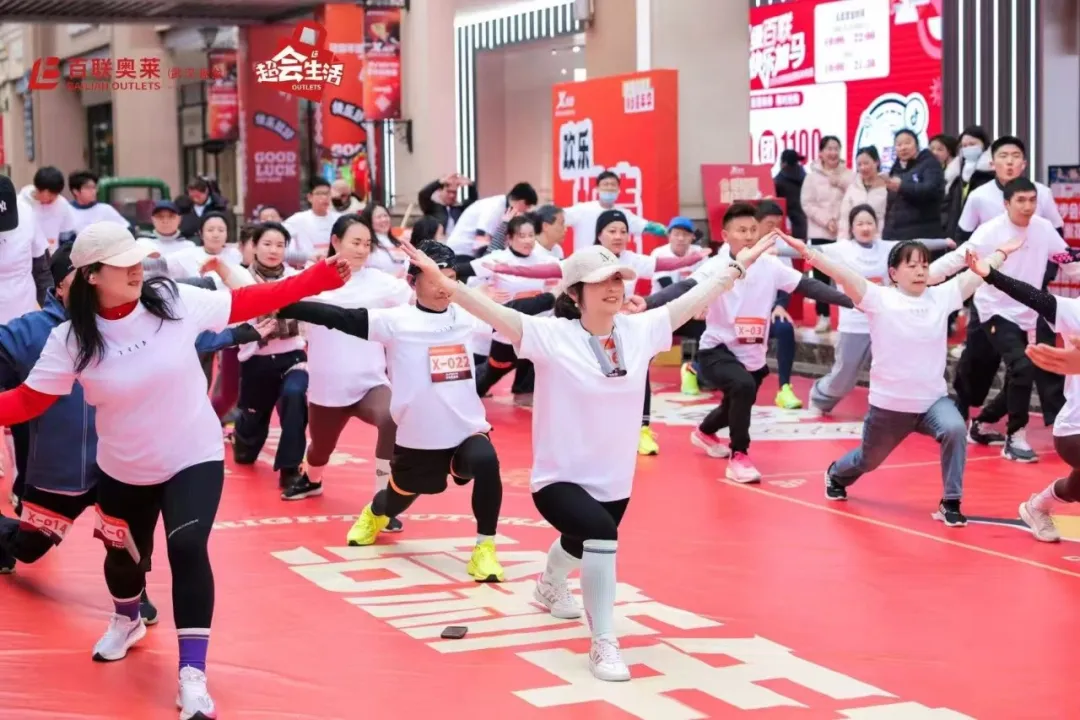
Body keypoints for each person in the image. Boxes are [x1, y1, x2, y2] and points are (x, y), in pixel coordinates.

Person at [0, 221, 348, 720]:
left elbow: (247, 302)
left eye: (137, 260)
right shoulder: (70, 339)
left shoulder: (169, 299)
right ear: (92, 275)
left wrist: (318, 277)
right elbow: (27, 401)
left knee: (187, 548)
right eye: (124, 264)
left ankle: (192, 676)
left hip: (192, 454)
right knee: (125, 560)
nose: (137, 270)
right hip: (123, 468)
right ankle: (126, 620)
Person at [398, 236, 776, 682]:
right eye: (601, 282)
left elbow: (694, 297)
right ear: (575, 293)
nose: (614, 288)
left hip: (614, 479)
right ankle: (603, 643)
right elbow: (489, 311)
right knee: (599, 534)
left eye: (617, 278)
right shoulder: (548, 336)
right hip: (558, 478)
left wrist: (736, 265)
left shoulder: (640, 330)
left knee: (582, 542)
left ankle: (548, 584)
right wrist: (444, 280)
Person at [275, 241, 512, 573]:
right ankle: (375, 513)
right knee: (396, 499)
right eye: (434, 278)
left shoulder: (467, 316)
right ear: (413, 282)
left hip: (466, 431)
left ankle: (484, 549)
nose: (443, 286)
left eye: (450, 278)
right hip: (418, 440)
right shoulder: (395, 321)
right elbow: (338, 317)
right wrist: (284, 304)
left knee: (486, 461)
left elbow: (520, 319)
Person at [781, 231, 1012, 526]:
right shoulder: (878, 297)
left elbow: (973, 277)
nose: (920, 271)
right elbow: (840, 272)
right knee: (868, 460)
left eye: (924, 265)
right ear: (893, 273)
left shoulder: (941, 296)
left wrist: (1002, 252)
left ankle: (951, 502)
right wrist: (808, 252)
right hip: (889, 407)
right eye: (911, 265)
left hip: (932, 403)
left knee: (955, 428)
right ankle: (836, 474)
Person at [648, 203, 852, 482]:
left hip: (753, 352)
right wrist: (646, 303)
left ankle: (704, 432)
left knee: (738, 401)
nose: (748, 236)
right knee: (742, 387)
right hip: (716, 349)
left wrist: (851, 300)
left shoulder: (770, 265)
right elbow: (683, 287)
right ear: (725, 235)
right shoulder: (717, 265)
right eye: (741, 230)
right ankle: (739, 455)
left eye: (753, 230)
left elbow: (807, 285)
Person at [929, 177, 1079, 462]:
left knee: (1025, 370)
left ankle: (983, 423)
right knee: (1021, 365)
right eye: (1021, 200)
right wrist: (924, 279)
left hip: (1030, 311)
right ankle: (1015, 436)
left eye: (1032, 200)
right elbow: (957, 259)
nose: (1027, 206)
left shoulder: (1043, 228)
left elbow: (1067, 261)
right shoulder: (991, 231)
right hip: (995, 310)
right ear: (1006, 204)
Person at [285, 215, 411, 523]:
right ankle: (312, 479)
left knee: (391, 417)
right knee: (320, 450)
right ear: (335, 241)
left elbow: (417, 298)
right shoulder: (311, 281)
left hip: (370, 382)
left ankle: (384, 500)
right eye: (356, 242)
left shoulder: (381, 282)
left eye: (367, 244)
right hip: (327, 388)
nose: (362, 249)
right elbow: (275, 296)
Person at [963, 247, 1080, 542]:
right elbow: (1033, 296)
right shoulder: (1075, 311)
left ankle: (1037, 506)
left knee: (1076, 488)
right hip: (1075, 429)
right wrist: (991, 275)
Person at [806, 205, 953, 412]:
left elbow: (917, 244)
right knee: (844, 376)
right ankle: (819, 397)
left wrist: (945, 242)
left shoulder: (887, 248)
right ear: (851, 228)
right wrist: (776, 250)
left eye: (869, 223)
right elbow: (806, 251)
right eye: (860, 224)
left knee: (899, 370)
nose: (865, 228)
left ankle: (906, 410)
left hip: (885, 323)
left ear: (877, 226)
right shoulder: (840, 249)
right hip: (854, 325)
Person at [801, 135, 854, 333]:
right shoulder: (811, 177)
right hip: (820, 231)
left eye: (836, 148)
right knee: (820, 278)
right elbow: (807, 204)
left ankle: (850, 315)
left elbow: (855, 199)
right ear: (821, 153)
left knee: (845, 275)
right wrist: (826, 221)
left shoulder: (849, 175)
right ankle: (823, 316)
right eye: (829, 148)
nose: (833, 152)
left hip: (844, 233)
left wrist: (840, 182)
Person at [882, 129, 945, 240]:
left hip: (923, 235)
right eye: (899, 144)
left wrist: (902, 187)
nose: (903, 148)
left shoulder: (929, 163)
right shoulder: (895, 170)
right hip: (896, 236)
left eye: (907, 143)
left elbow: (931, 190)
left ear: (917, 144)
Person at [837, 147, 888, 241]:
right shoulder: (853, 187)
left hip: (880, 241)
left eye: (866, 163)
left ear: (876, 162)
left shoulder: (887, 187)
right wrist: (843, 241)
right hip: (855, 241)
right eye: (859, 164)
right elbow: (845, 217)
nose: (862, 168)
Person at [283, 178, 341, 258]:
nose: (325, 197)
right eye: (320, 193)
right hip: (309, 264)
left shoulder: (339, 219)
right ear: (310, 197)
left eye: (328, 193)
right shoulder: (298, 219)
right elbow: (279, 236)